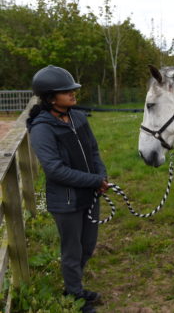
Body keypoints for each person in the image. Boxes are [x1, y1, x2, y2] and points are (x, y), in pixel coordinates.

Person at [27, 65, 110, 313]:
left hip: (90, 194)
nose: (73, 94)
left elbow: (94, 151)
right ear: (51, 97)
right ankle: (74, 295)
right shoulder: (42, 128)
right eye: (67, 91)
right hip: (66, 201)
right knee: (72, 251)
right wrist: (94, 180)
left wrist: (101, 175)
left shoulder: (78, 117)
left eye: (73, 89)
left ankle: (74, 287)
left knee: (87, 246)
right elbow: (54, 170)